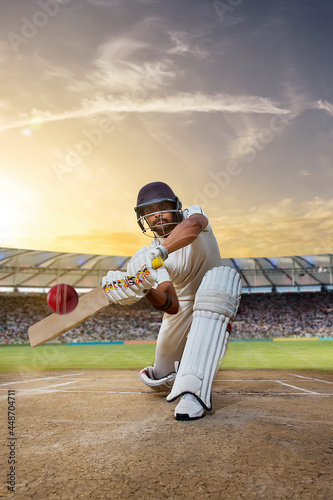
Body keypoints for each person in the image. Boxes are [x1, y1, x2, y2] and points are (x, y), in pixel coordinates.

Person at [102, 181, 242, 420]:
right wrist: (144, 289)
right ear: (143, 219)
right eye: (149, 212)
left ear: (176, 207)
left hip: (216, 292)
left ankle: (192, 392)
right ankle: (172, 374)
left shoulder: (192, 214)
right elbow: (171, 303)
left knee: (219, 281)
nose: (157, 215)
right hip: (184, 305)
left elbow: (193, 226)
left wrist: (161, 253)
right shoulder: (147, 255)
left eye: (163, 207)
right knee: (160, 376)